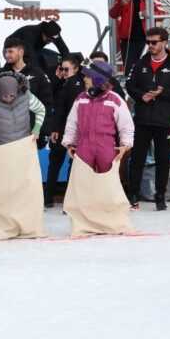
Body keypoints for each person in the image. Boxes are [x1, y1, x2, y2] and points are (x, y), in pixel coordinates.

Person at [60, 61, 136, 236]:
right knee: (82, 186)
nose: (84, 79)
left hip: (106, 144)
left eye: (87, 76)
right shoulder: (81, 98)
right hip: (84, 144)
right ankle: (83, 224)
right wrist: (69, 143)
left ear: (97, 78)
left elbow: (126, 125)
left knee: (109, 186)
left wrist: (125, 145)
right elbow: (72, 123)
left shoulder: (115, 99)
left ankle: (114, 223)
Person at [0, 71, 47, 241]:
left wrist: (36, 130)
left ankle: (28, 226)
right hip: (0, 149)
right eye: (5, 96)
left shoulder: (26, 96)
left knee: (26, 189)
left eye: (12, 95)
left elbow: (41, 110)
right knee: (2, 191)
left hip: (23, 148)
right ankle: (4, 229)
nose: (9, 98)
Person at [125, 27, 170, 211]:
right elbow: (130, 85)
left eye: (154, 42)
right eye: (148, 42)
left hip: (164, 121)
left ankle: (160, 195)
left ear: (164, 43)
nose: (150, 45)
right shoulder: (140, 64)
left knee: (163, 160)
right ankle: (133, 194)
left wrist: (163, 93)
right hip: (143, 120)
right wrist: (140, 95)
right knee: (137, 159)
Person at [1, 36, 54, 149]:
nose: (7, 55)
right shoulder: (0, 75)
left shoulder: (38, 74)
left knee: (27, 166)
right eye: (5, 51)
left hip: (30, 134)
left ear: (21, 52)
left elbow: (47, 105)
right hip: (5, 135)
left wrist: (44, 132)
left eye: (10, 51)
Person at [46, 54, 84, 207]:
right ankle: (48, 198)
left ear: (76, 68)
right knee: (54, 164)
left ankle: (69, 199)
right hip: (61, 129)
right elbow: (53, 103)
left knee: (72, 163)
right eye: (61, 69)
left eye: (66, 69)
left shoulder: (81, 82)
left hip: (75, 130)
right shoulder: (61, 82)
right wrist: (55, 129)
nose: (63, 72)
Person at [109, 0, 161, 76]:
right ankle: (132, 91)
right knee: (130, 72)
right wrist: (120, 5)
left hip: (146, 40)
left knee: (148, 70)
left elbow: (162, 12)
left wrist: (151, 13)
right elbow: (112, 14)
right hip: (128, 41)